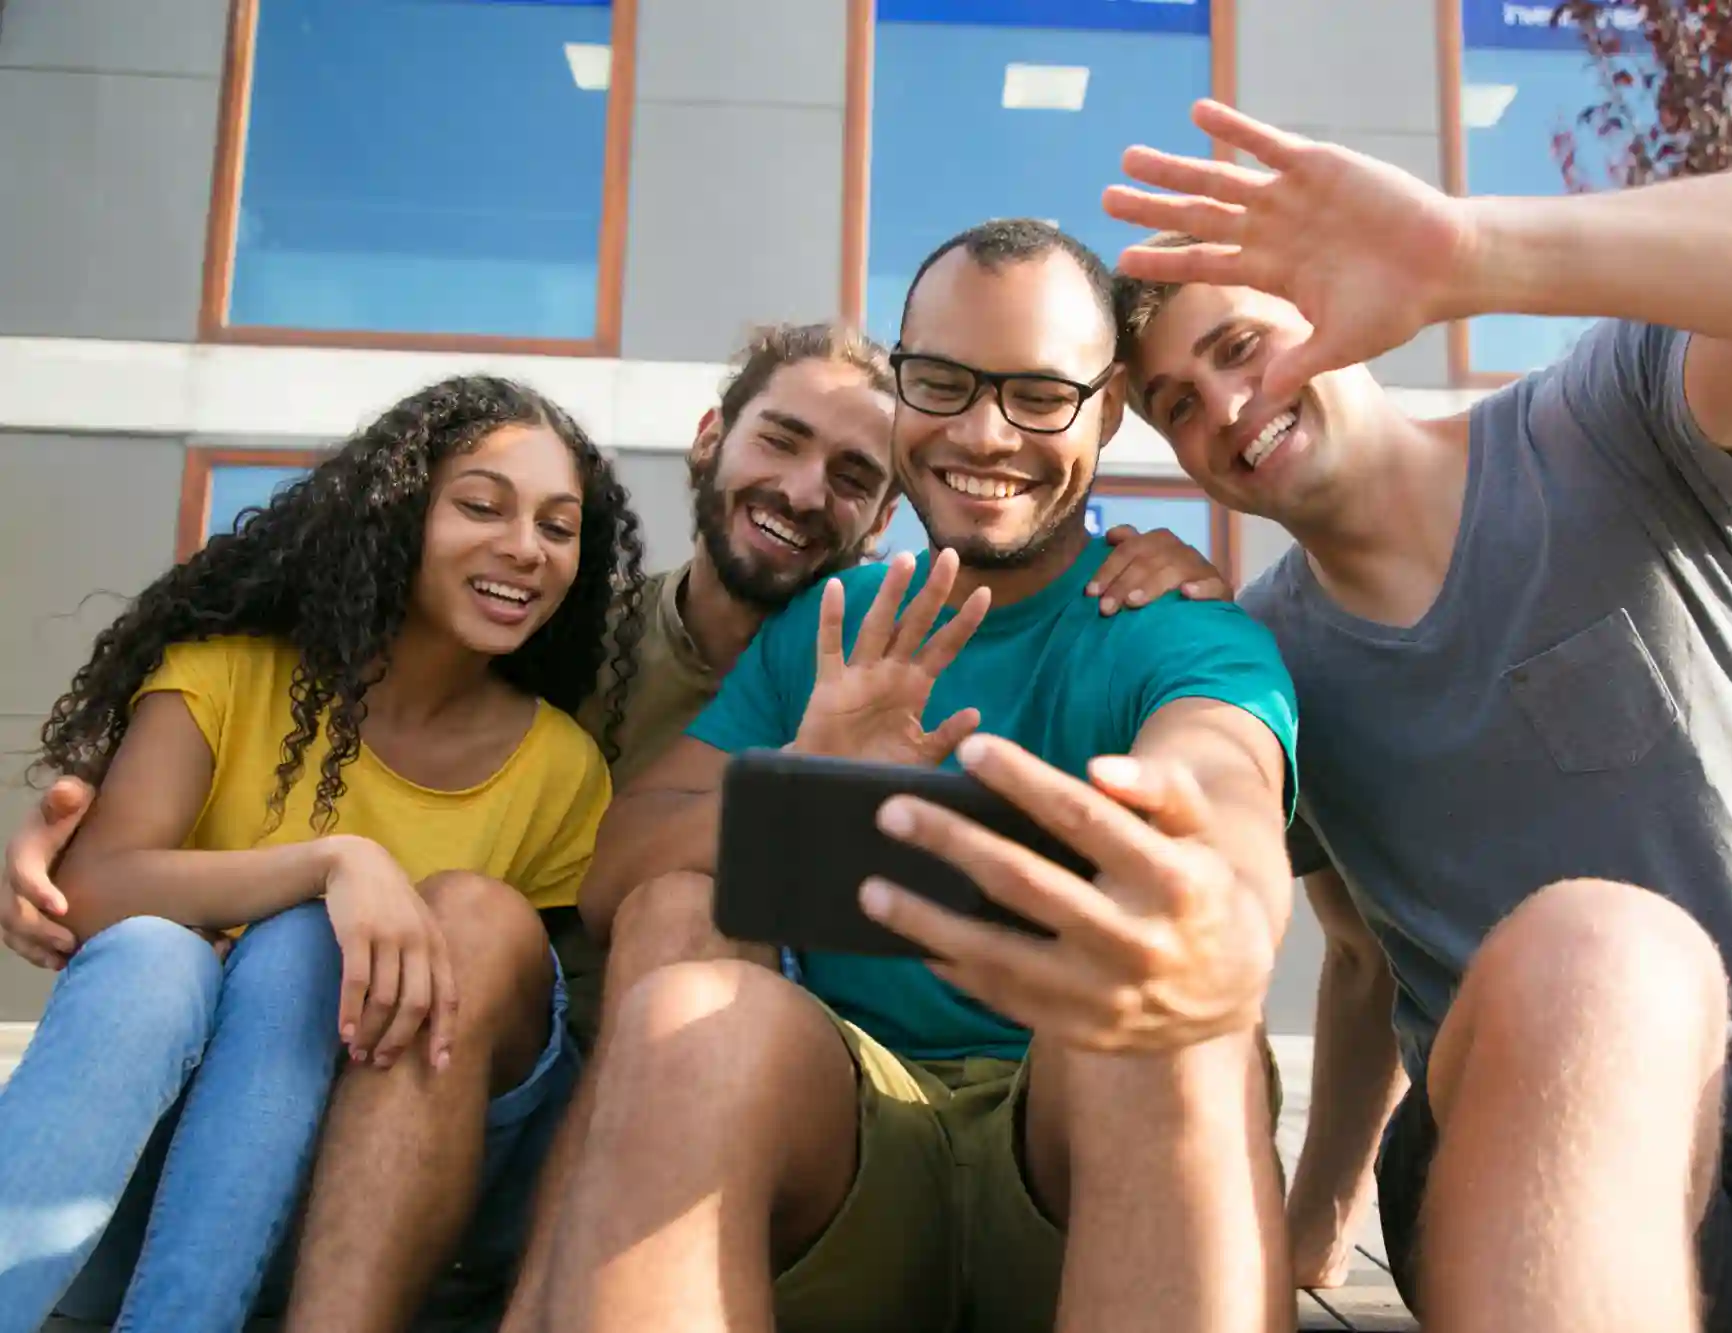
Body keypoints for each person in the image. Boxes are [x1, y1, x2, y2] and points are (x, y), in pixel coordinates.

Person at [0, 323, 1228, 1332]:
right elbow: (310, 722)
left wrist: (1133, 550)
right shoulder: (561, 651)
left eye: (852, 478)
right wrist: (81, 830)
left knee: (672, 914)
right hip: (374, 1067)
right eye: (781, 441)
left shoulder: (898, 659)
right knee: (380, 931)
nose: (804, 493)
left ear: (884, 516)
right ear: (711, 439)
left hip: (703, 1100)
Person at [1105, 99, 1732, 1332]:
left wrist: (1470, 253)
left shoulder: (1607, 427)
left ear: (1328, 302)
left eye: (1236, 347)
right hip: (1529, 1161)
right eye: (1175, 408)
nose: (1220, 410)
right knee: (1604, 949)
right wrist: (1312, 1227)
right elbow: (1359, 957)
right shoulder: (1265, 663)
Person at [532, 219, 1303, 1333]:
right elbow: (617, 871)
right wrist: (800, 777)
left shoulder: (1173, 628)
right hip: (849, 1139)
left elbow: (1220, 793)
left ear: (1108, 410)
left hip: (1071, 1152)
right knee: (683, 965)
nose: (984, 433)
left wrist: (1219, 905)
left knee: (1168, 1017)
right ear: (900, 387)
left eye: (1039, 394)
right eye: (941, 381)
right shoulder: (831, 627)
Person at [0, 375, 646, 1333]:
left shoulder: (558, 767)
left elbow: (537, 1044)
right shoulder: (221, 677)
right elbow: (87, 890)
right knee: (151, 953)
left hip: (355, 1215)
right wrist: (333, 861)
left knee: (304, 953)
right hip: (127, 1202)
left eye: (560, 527)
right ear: (395, 514)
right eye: (481, 505)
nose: (525, 547)